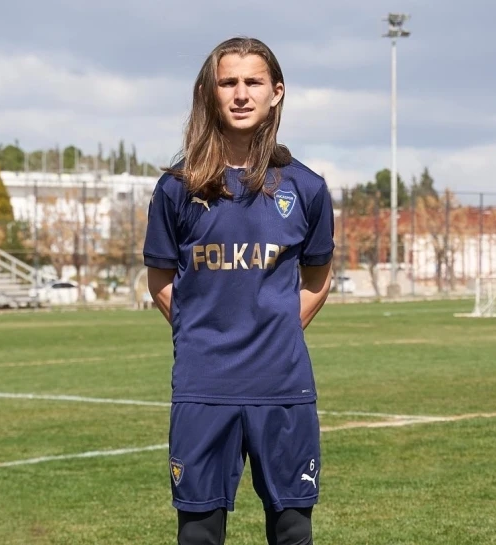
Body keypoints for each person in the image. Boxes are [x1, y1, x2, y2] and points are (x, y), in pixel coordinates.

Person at [143, 36, 335, 545]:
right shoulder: (177, 188)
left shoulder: (307, 188)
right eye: (228, 82)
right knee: (199, 535)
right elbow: (160, 281)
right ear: (210, 92)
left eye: (253, 82)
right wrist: (202, 333)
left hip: (282, 386)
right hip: (203, 386)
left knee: (292, 532)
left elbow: (318, 279)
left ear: (276, 93)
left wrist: (276, 330)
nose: (241, 94)